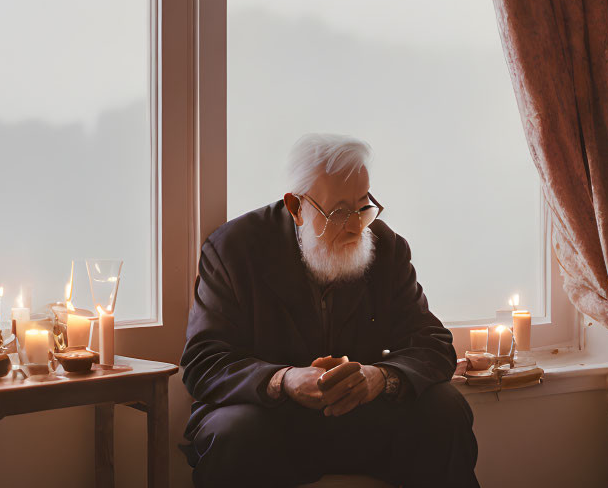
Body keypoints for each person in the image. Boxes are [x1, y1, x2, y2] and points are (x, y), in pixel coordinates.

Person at [180, 134, 479, 488]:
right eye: (339, 212)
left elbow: (433, 345)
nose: (356, 225)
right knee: (234, 431)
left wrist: (379, 377)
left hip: (361, 418)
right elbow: (203, 362)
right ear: (296, 207)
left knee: (445, 407)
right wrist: (284, 380)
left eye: (363, 204)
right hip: (271, 420)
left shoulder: (387, 247)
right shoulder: (234, 249)